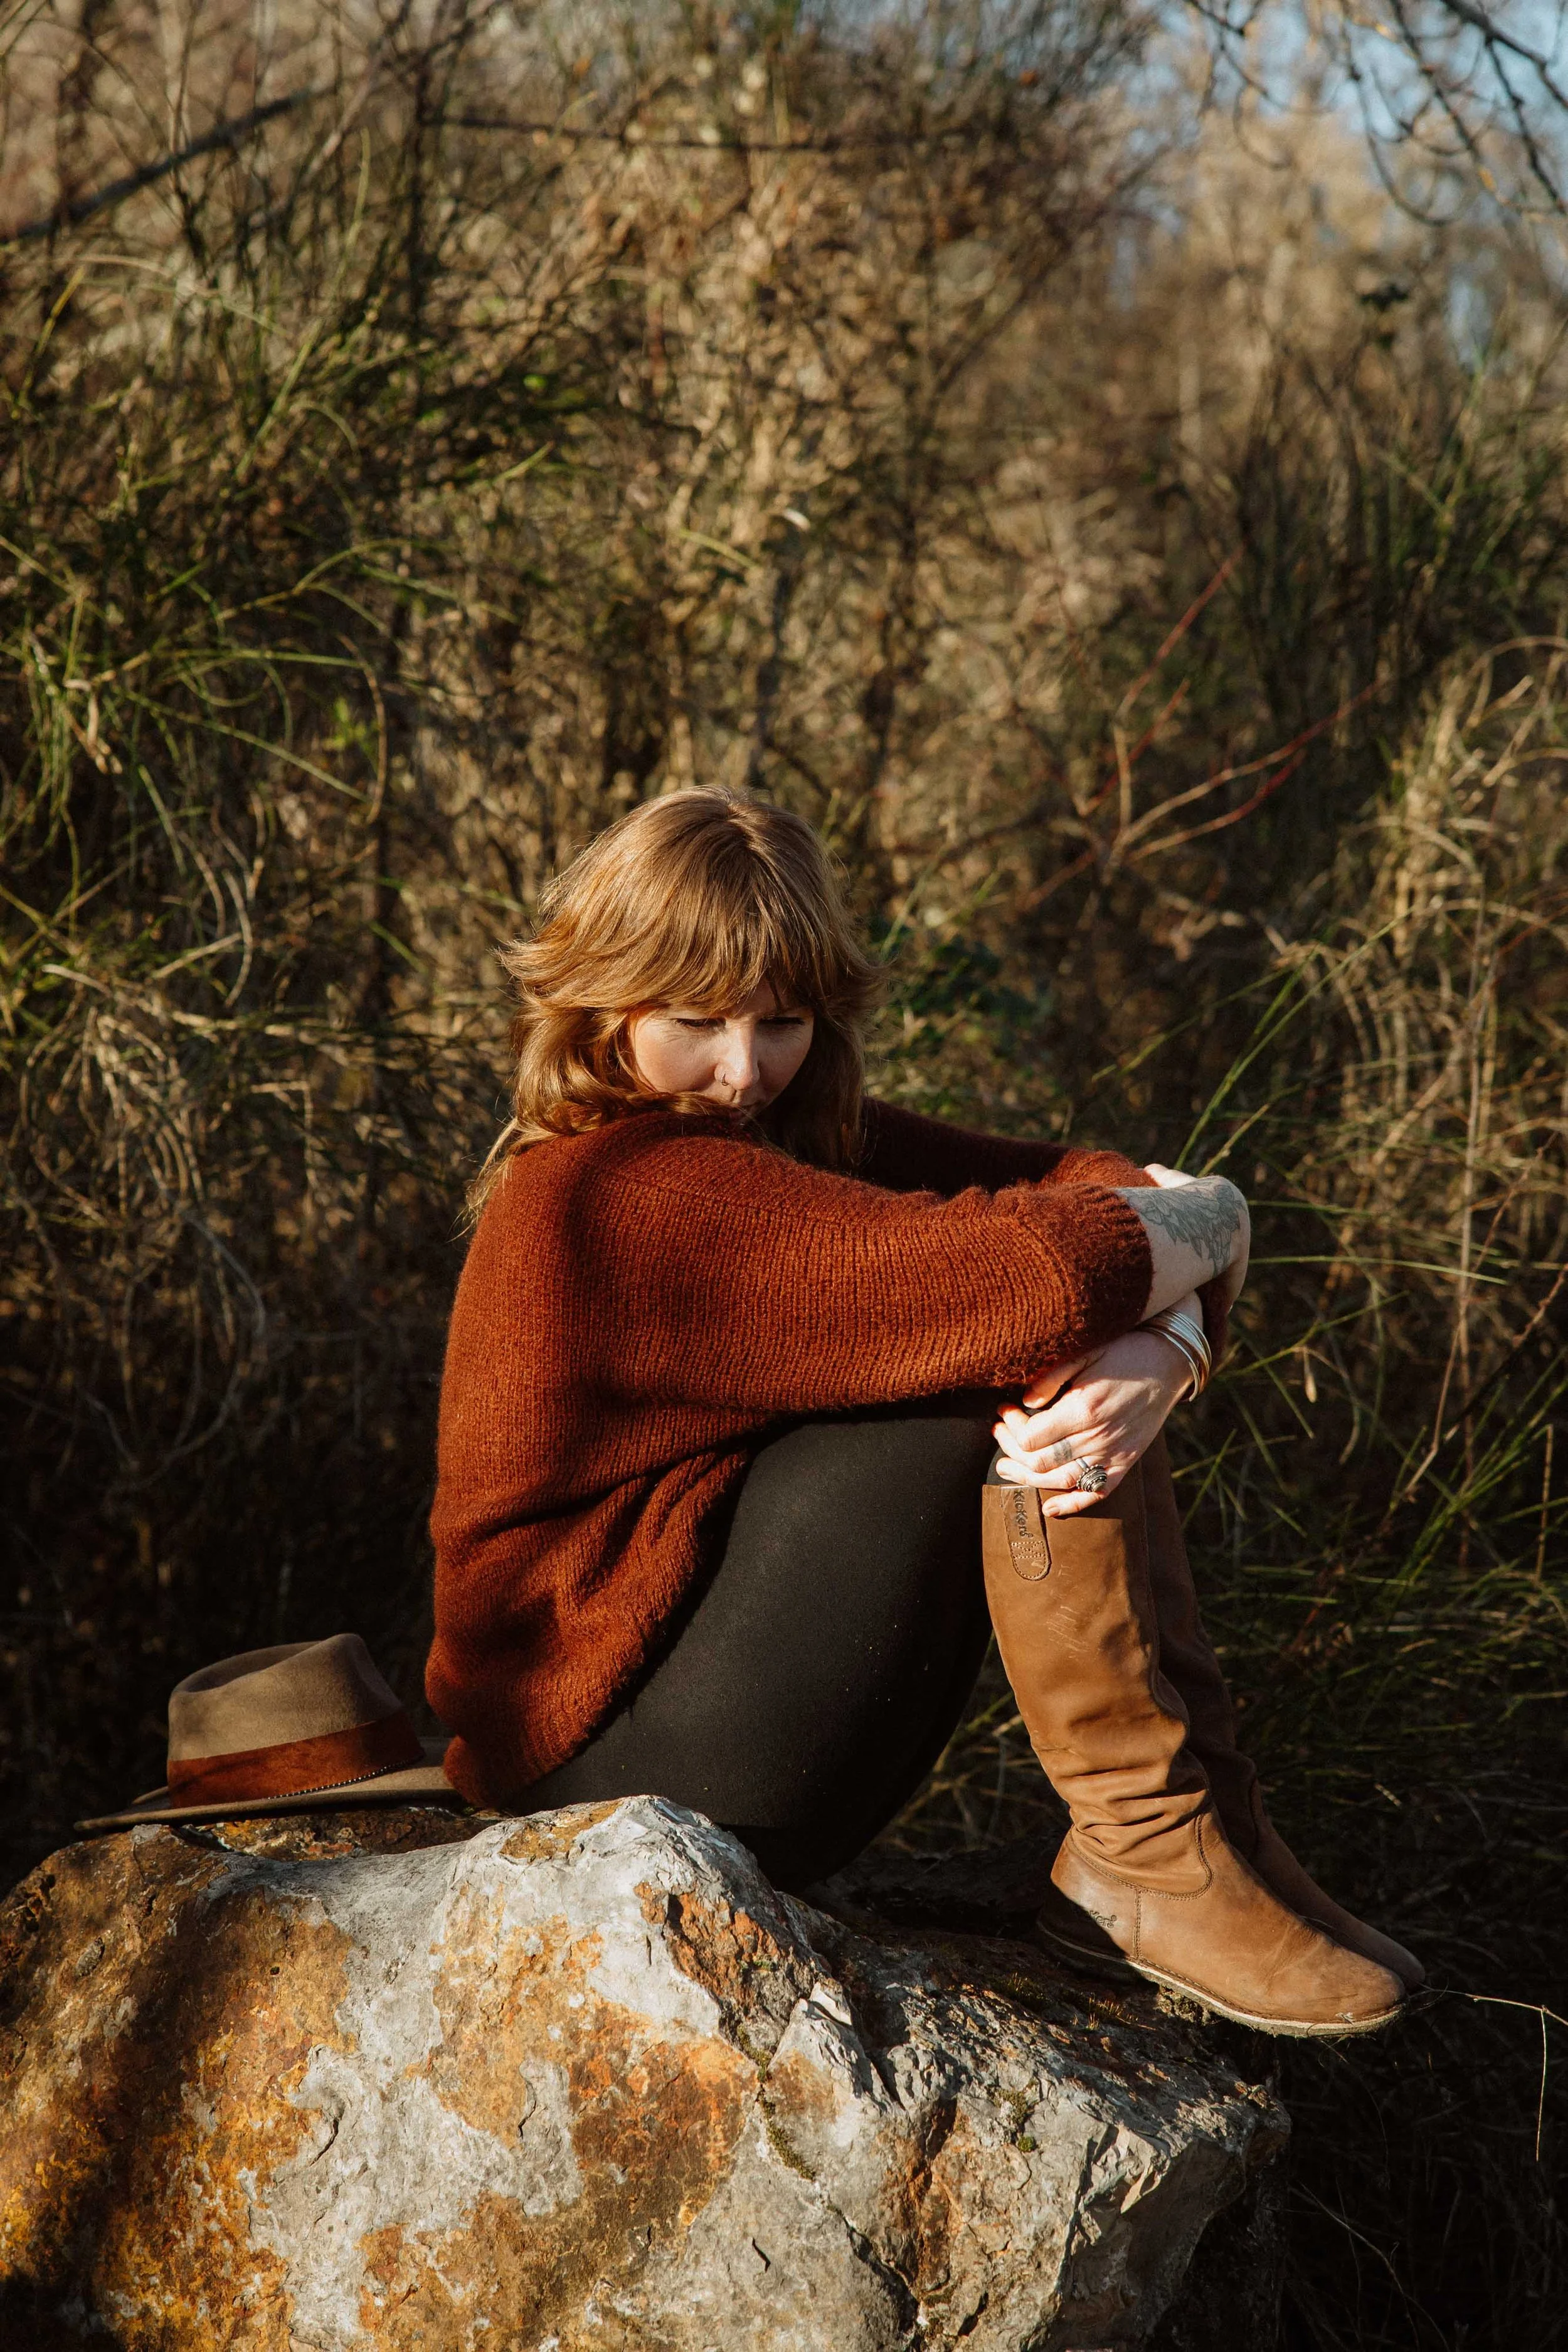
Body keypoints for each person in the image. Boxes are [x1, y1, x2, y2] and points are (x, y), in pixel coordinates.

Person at [427, 788, 1421, 2037]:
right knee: (999, 1348)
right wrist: (1191, 1265)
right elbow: (1060, 1272)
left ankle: (1204, 1827)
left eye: (780, 1021)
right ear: (599, 1006)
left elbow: (1103, 1189)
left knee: (1044, 1324)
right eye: (693, 1022)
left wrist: (1161, 1346)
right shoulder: (623, 1192)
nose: (741, 1071)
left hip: (740, 1729)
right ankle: (1144, 1848)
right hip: (612, 1778)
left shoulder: (792, 1134)